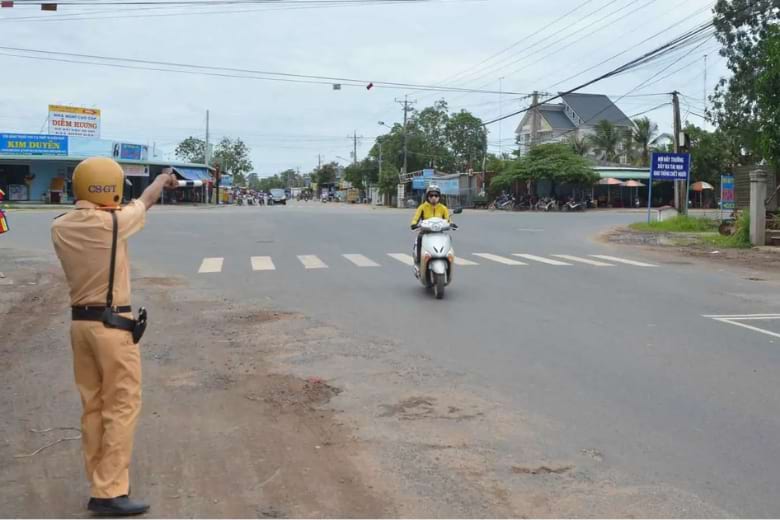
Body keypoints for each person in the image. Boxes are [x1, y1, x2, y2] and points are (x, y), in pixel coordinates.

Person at [51, 158, 178, 516]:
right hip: (113, 328)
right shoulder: (112, 224)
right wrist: (162, 179)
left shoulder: (60, 226)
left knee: (92, 406)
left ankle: (100, 481)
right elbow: (146, 200)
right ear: (110, 187)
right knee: (121, 406)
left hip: (80, 327)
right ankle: (110, 490)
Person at [410, 184, 453, 265]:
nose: (433, 197)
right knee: (420, 238)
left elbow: (448, 219)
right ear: (427, 196)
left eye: (436, 195)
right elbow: (416, 217)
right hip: (425, 231)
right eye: (431, 195)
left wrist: (451, 224)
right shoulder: (422, 207)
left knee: (448, 238)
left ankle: (448, 259)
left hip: (439, 232)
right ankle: (419, 260)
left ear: (439, 197)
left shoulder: (443, 208)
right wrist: (414, 224)